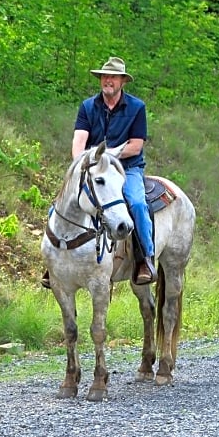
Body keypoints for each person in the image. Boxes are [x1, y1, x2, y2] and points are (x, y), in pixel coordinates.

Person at [74, 56, 154, 285]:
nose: (108, 81)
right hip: (94, 167)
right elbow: (79, 140)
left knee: (137, 203)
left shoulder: (137, 107)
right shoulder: (88, 106)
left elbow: (136, 145)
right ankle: (53, 261)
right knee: (66, 200)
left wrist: (108, 156)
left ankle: (144, 259)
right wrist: (80, 163)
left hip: (126, 167)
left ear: (122, 81)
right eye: (105, 76)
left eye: (113, 77)